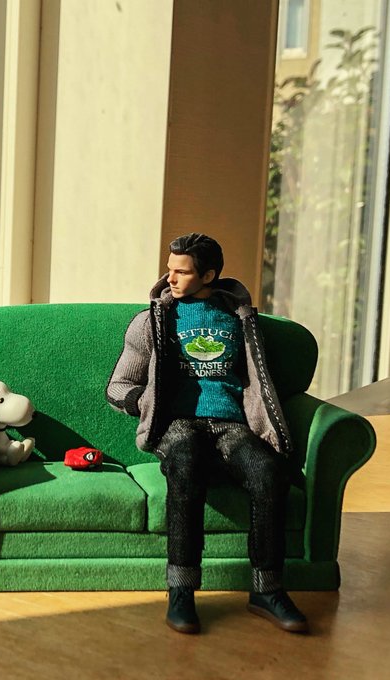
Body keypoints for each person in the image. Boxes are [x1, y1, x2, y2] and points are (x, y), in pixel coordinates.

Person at [106, 233, 308, 634]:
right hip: (179, 424)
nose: (170, 279)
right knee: (185, 463)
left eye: (181, 272)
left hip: (231, 425)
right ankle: (181, 590)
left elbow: (258, 381)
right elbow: (117, 387)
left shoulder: (240, 321)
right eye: (169, 269)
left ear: (209, 275)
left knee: (269, 473)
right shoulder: (152, 322)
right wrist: (147, 404)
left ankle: (267, 590)